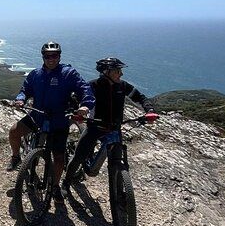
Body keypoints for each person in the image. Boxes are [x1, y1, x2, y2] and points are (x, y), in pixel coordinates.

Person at [7, 41, 94, 204]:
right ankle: (16, 157)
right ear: (43, 57)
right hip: (37, 116)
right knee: (14, 131)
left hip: (59, 120)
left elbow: (84, 89)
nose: (51, 59)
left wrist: (85, 105)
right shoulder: (35, 74)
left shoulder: (69, 73)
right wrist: (20, 99)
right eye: (47, 56)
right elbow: (25, 90)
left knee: (59, 158)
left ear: (59, 56)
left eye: (54, 56)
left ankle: (55, 186)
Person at [62, 57, 155, 195]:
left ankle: (120, 193)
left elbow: (140, 97)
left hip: (114, 129)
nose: (121, 74)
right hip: (95, 127)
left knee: (118, 161)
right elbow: (76, 99)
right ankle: (66, 183)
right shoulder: (93, 86)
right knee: (78, 157)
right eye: (118, 71)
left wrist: (149, 110)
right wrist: (75, 111)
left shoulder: (122, 86)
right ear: (106, 72)